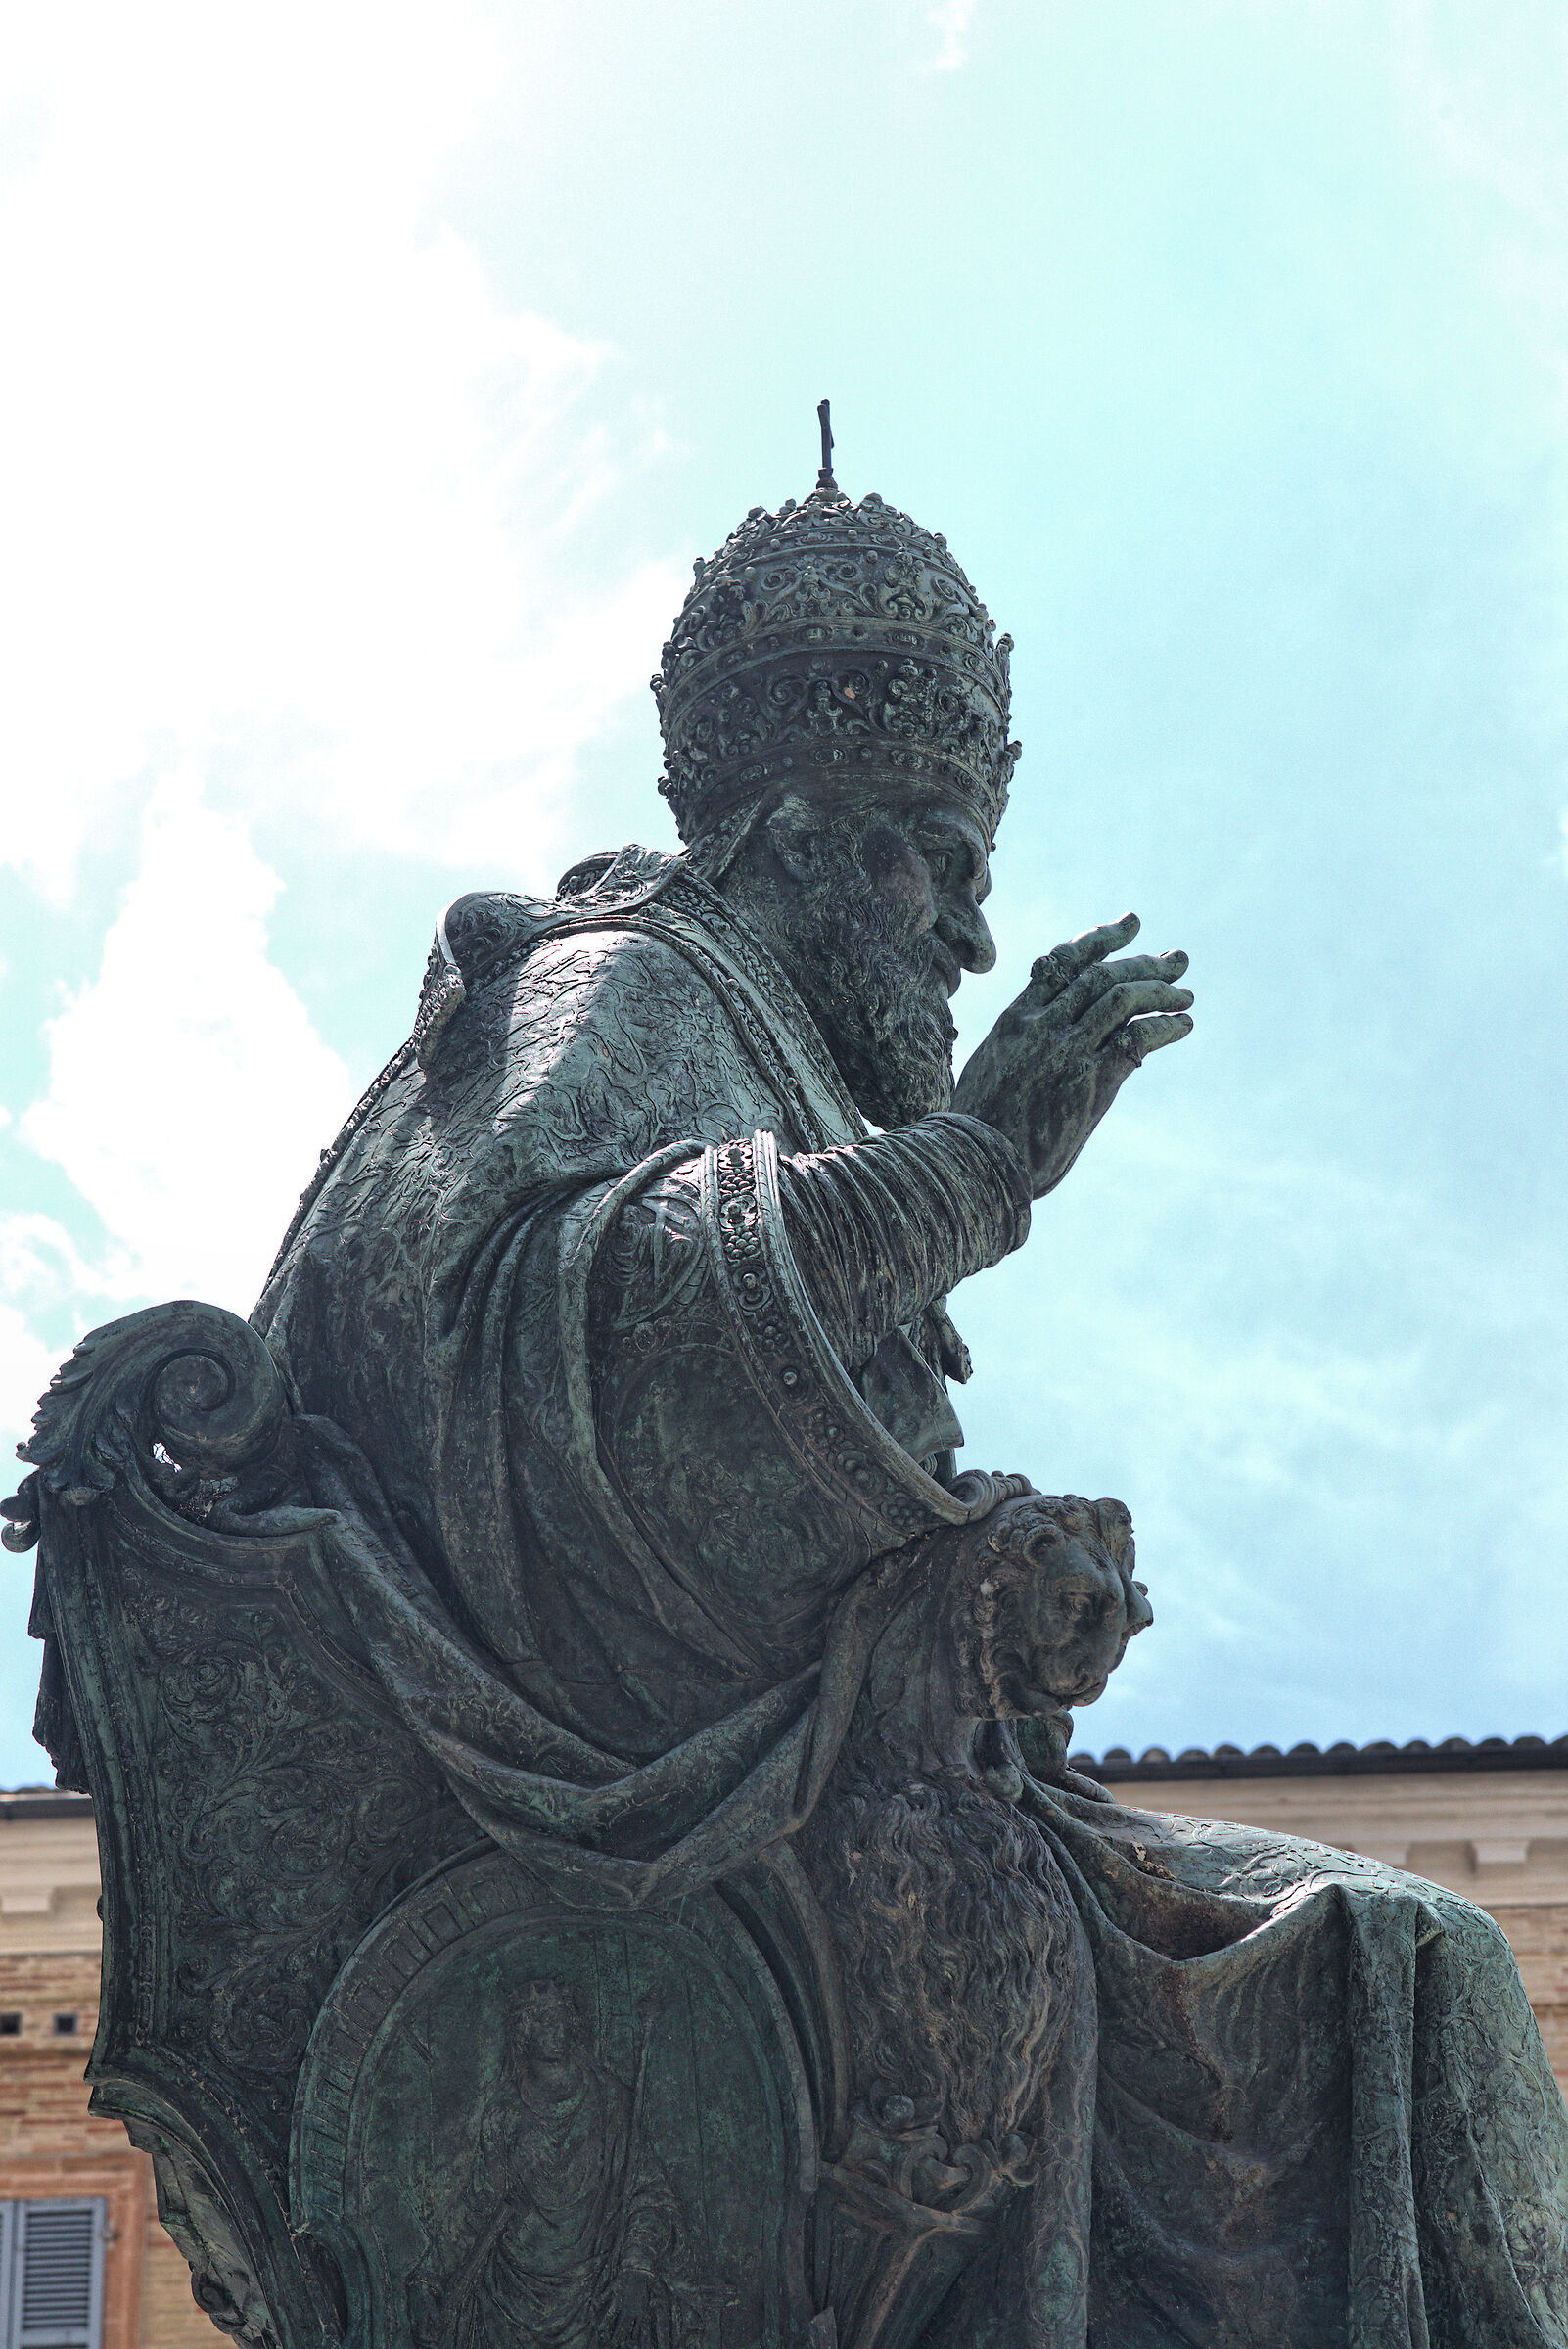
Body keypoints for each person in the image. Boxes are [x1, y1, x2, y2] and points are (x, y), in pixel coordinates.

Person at [254, 467, 1568, 2344]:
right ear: (795, 839)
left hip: (848, 1804)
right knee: (1402, 1960)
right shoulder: (629, 979)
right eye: (942, 859)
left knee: (1397, 1958)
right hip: (710, 1833)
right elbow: (551, 1311)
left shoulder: (744, 1042)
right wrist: (969, 1169)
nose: (967, 935)